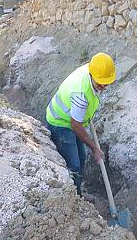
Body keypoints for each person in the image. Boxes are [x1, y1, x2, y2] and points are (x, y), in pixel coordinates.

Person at [46, 53, 116, 195]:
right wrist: (95, 148)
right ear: (92, 74)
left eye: (106, 83)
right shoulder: (81, 94)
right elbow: (75, 125)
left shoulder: (93, 70)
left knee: (82, 158)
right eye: (101, 83)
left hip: (73, 120)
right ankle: (75, 198)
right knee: (74, 165)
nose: (103, 86)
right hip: (60, 124)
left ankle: (79, 191)